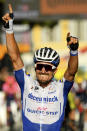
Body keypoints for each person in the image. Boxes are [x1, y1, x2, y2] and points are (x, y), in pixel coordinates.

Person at [2, 4, 79, 131]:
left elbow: (71, 72)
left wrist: (74, 52)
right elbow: (15, 58)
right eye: (40, 66)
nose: (43, 70)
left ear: (55, 70)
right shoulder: (26, 83)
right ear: (35, 67)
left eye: (48, 67)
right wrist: (9, 28)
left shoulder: (61, 88)